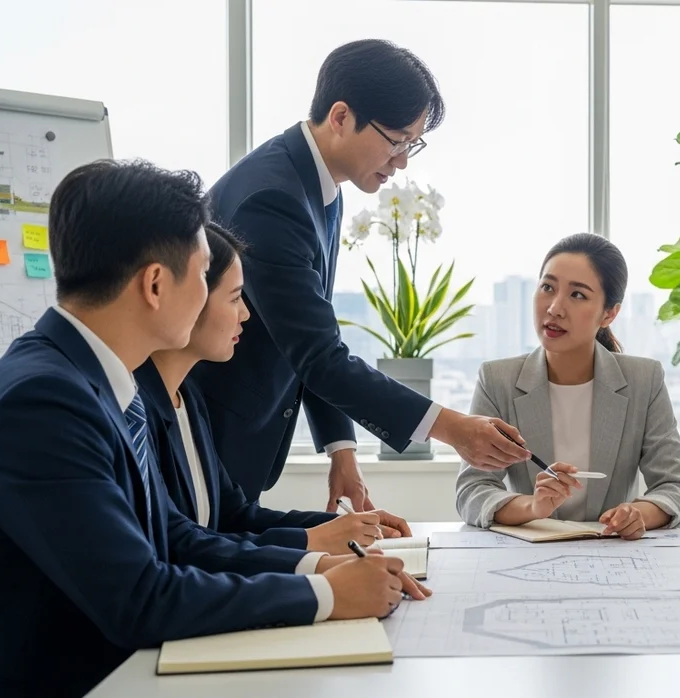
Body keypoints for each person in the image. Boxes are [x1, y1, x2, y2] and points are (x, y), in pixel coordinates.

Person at [0, 161, 409, 696]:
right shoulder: (42, 403)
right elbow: (140, 599)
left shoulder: (94, 380)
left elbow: (171, 537)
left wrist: (313, 567)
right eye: (201, 274)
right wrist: (326, 595)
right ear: (154, 284)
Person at [195, 38, 528, 512]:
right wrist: (453, 428)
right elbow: (318, 355)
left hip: (237, 436)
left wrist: (342, 451)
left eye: (413, 144)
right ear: (340, 117)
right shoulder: (273, 198)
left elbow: (312, 329)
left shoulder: (319, 184)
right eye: (396, 141)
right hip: (211, 434)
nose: (403, 160)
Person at [134, 224, 425, 578]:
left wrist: (346, 527)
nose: (245, 313)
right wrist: (312, 545)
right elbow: (182, 546)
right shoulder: (134, 407)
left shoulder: (189, 397)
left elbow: (235, 516)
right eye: (235, 297)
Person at [455, 234, 680, 539]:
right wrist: (532, 507)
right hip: (528, 557)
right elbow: (472, 490)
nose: (555, 308)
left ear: (609, 313)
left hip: (614, 553)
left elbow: (674, 487)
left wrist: (638, 515)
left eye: (577, 295)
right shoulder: (497, 379)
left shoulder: (644, 380)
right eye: (547, 288)